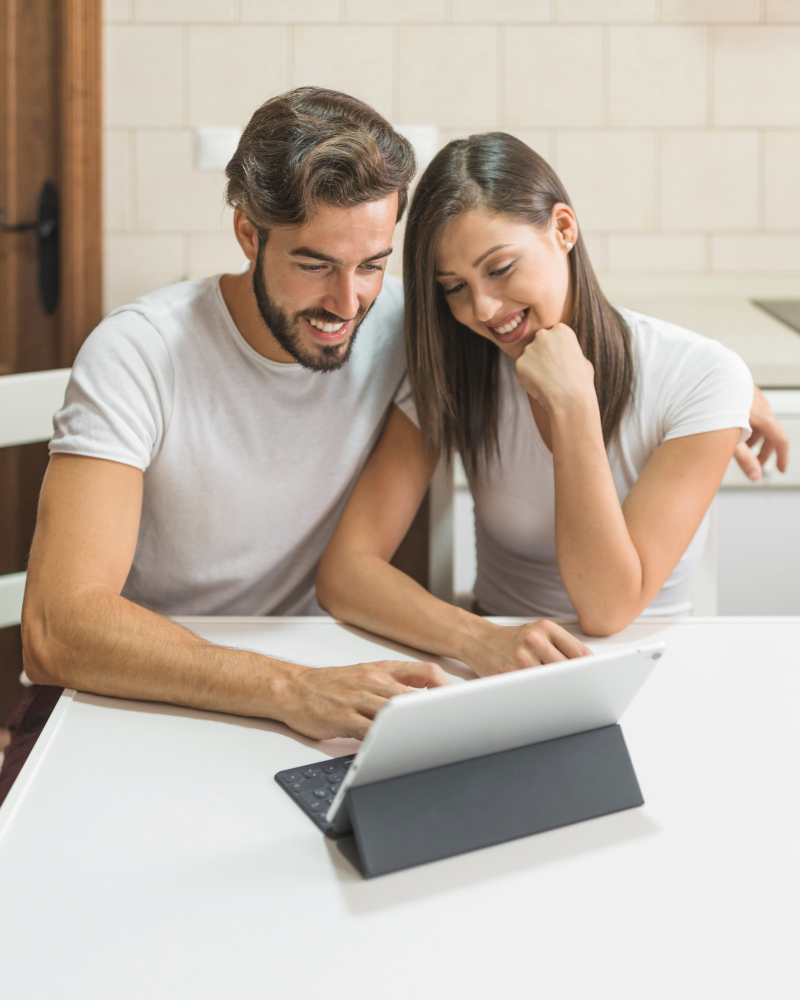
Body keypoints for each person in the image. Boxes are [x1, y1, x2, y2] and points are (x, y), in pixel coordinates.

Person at [0, 94, 787, 802]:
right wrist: (293, 686)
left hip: (312, 696)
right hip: (147, 692)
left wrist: (724, 383)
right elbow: (60, 626)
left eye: (373, 265)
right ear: (248, 233)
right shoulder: (140, 352)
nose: (347, 305)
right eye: (314, 265)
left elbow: (558, 307)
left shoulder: (413, 329)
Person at [316, 131, 777, 664]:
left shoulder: (700, 375)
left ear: (563, 228)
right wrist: (480, 639)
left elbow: (607, 609)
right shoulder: (458, 367)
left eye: (500, 268)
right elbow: (346, 572)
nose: (484, 309)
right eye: (454, 287)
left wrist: (574, 406)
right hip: (499, 667)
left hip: (653, 665)